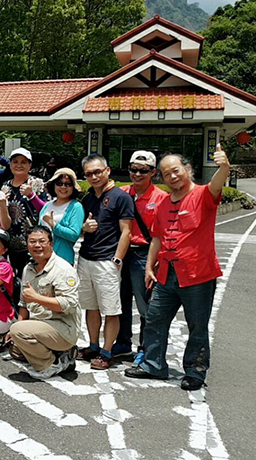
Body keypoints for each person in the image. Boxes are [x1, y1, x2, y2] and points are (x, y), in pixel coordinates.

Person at [125, 146, 229, 391]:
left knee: (197, 325)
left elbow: (217, 184)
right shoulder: (162, 204)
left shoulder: (203, 195)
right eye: (166, 173)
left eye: (176, 171)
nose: (172, 176)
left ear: (188, 169)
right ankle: (153, 364)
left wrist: (223, 166)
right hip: (166, 274)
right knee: (154, 319)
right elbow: (157, 238)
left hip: (197, 274)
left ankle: (195, 370)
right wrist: (149, 267)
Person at [76, 153, 134, 370]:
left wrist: (117, 260)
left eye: (98, 171)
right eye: (89, 173)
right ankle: (93, 345)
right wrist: (84, 228)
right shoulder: (88, 198)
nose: (94, 176)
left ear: (108, 170)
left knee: (111, 309)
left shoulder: (121, 197)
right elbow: (82, 226)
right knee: (90, 307)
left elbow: (126, 232)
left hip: (107, 261)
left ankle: (107, 351)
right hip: (86, 258)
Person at [114, 151, 168, 363]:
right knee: (120, 301)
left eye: (143, 171)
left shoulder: (161, 198)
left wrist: (153, 263)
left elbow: (161, 234)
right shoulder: (122, 193)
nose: (137, 174)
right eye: (133, 169)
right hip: (121, 253)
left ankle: (146, 348)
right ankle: (122, 343)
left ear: (153, 172)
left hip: (145, 254)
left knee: (146, 304)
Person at [8, 226, 81, 379]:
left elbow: (69, 305)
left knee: (18, 332)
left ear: (51, 244)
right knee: (15, 347)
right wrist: (17, 335)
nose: (37, 245)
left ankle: (51, 364)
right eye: (32, 241)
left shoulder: (63, 269)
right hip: (41, 325)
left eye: (42, 241)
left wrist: (36, 298)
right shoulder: (28, 268)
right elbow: (23, 304)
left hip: (63, 328)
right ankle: (62, 356)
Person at [0, 148, 46, 278]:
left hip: (32, 242)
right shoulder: (5, 186)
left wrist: (32, 195)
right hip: (11, 241)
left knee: (33, 278)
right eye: (15, 161)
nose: (19, 165)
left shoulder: (37, 183)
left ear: (29, 165)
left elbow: (46, 210)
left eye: (23, 162)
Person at [38, 168, 84, 265]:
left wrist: (53, 224)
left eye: (68, 184)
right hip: (42, 259)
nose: (63, 187)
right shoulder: (47, 205)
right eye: (59, 183)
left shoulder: (76, 207)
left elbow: (74, 235)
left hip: (62, 261)